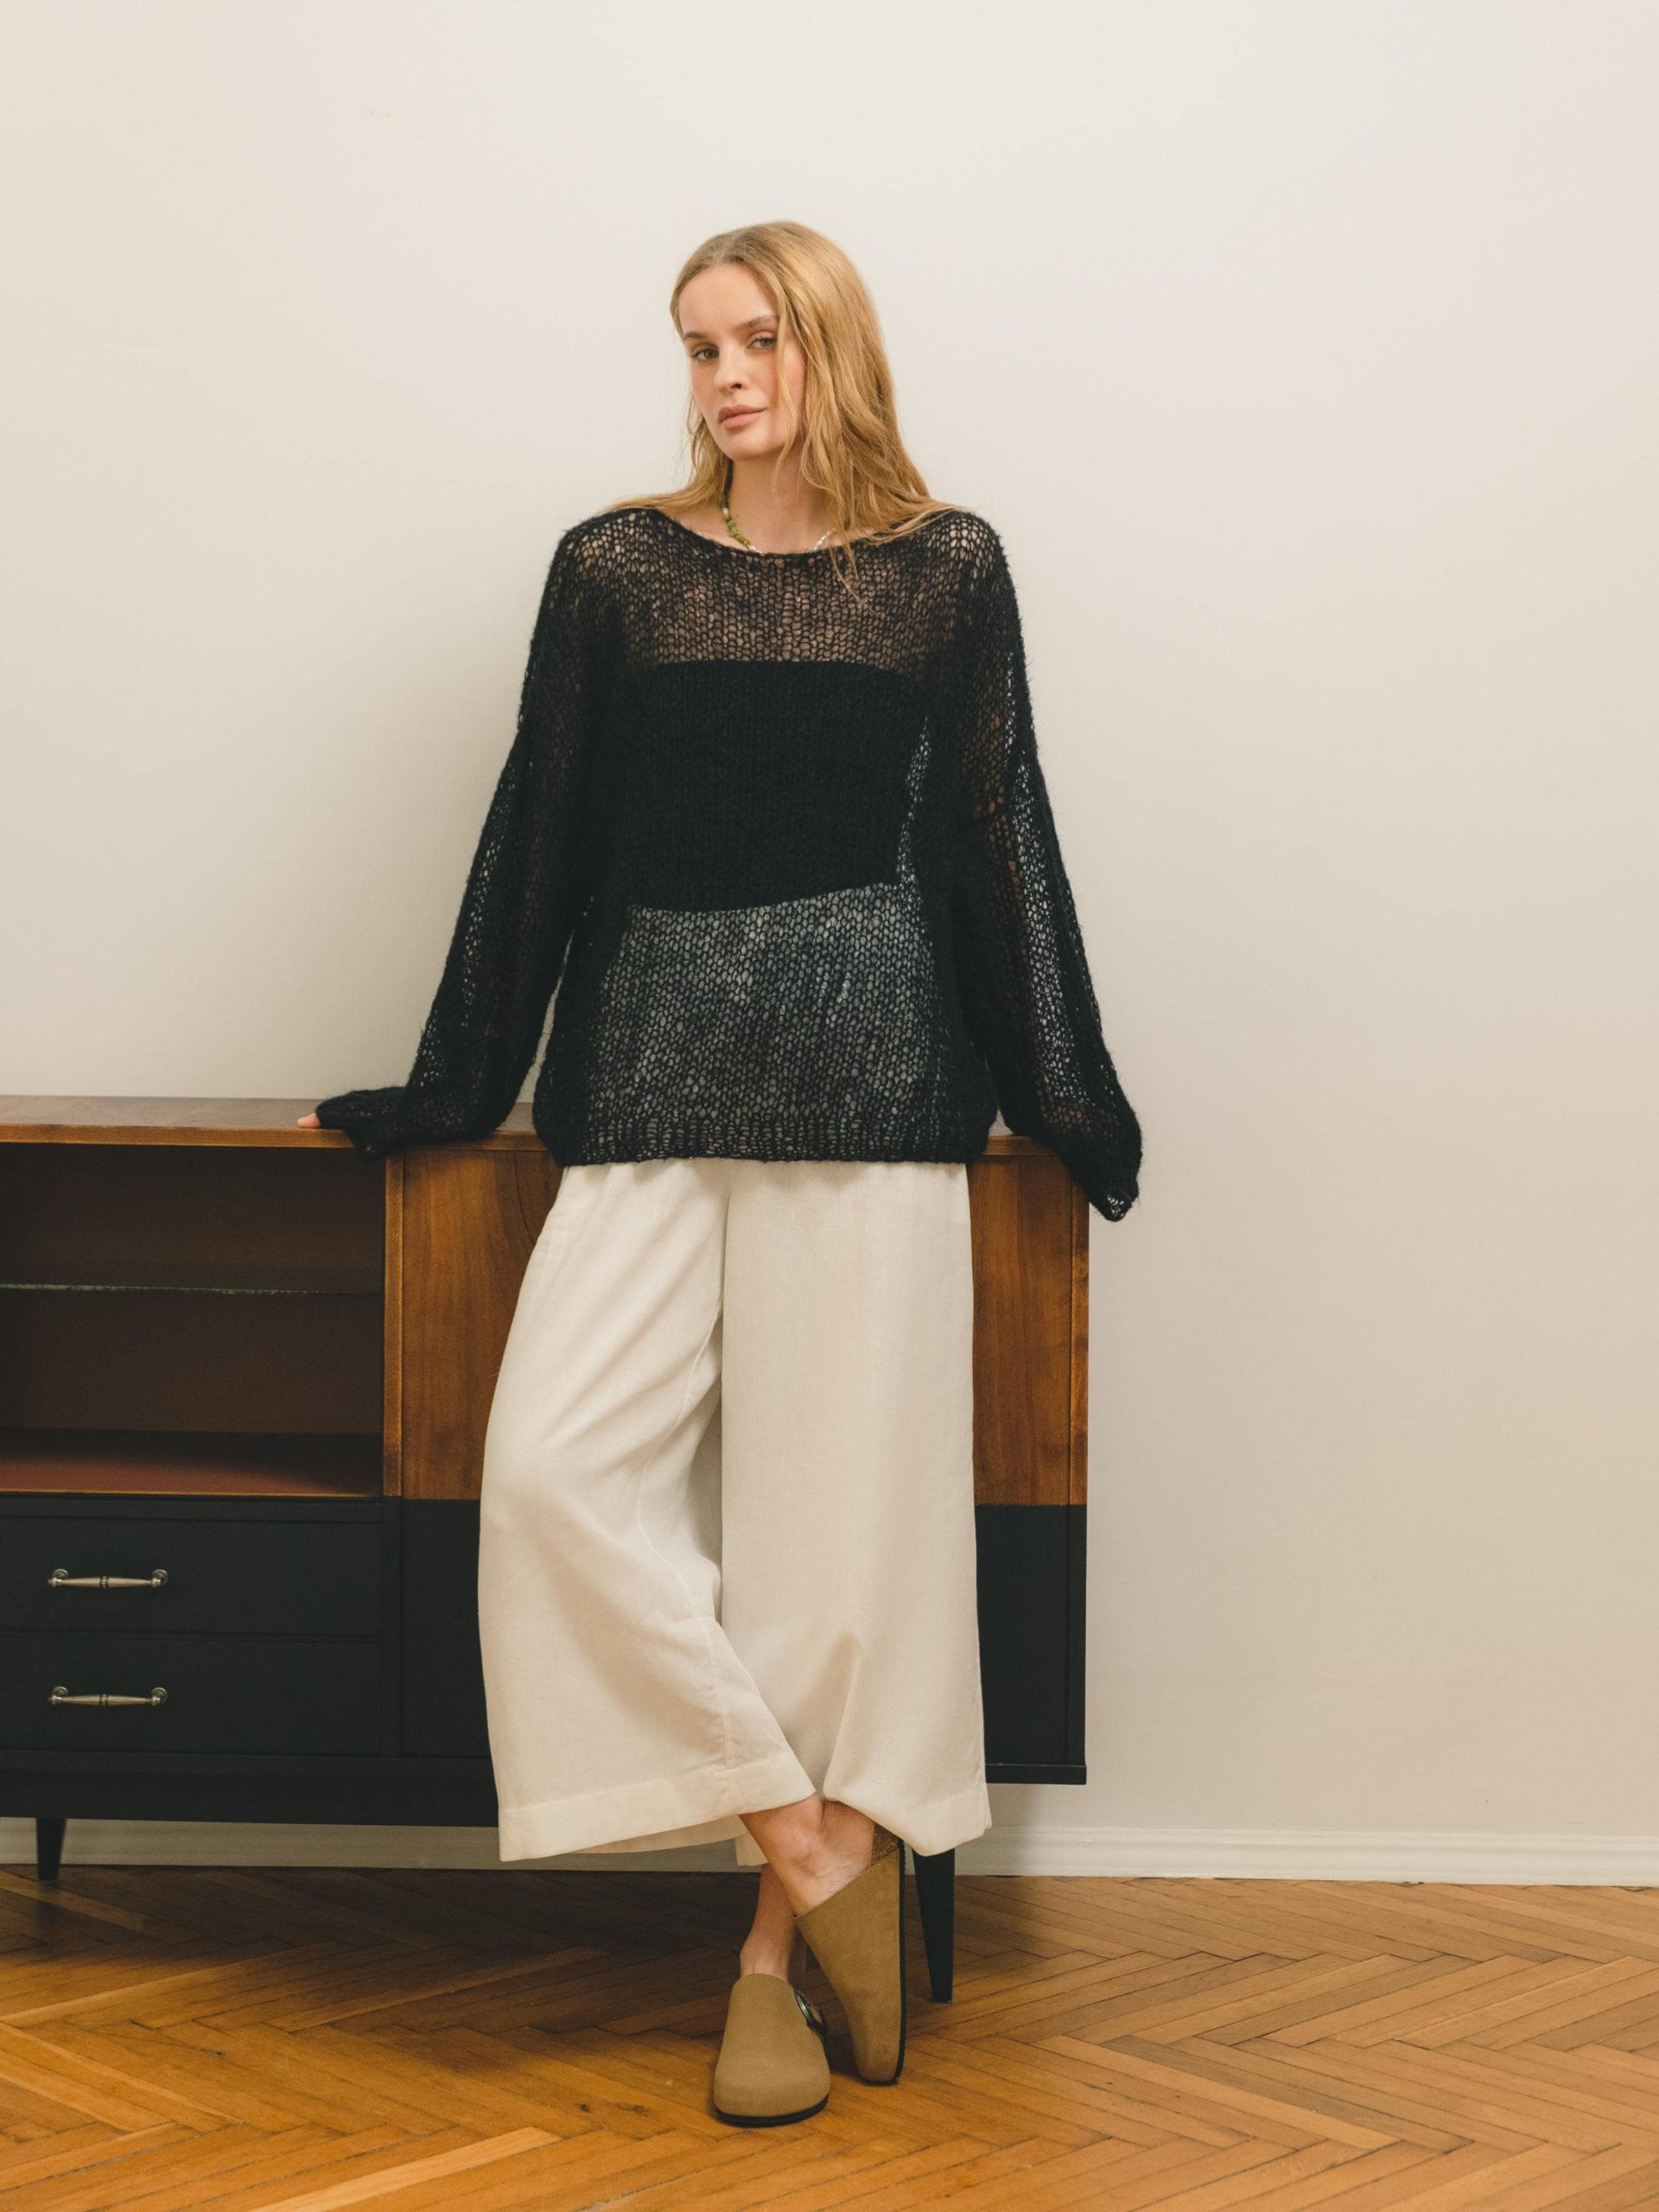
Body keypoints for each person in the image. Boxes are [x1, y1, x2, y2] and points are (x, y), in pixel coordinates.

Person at [299, 219, 1141, 2125]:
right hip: (648, 1082)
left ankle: (767, 1964)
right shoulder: (616, 569)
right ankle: (813, 1843)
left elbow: (999, 833)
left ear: (832, 346)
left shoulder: (944, 569)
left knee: (838, 1558)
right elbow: (540, 825)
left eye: (760, 339)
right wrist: (457, 1079)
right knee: (551, 1475)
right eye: (698, 346)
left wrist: (1066, 1093)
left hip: (879, 1093)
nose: (727, 378)